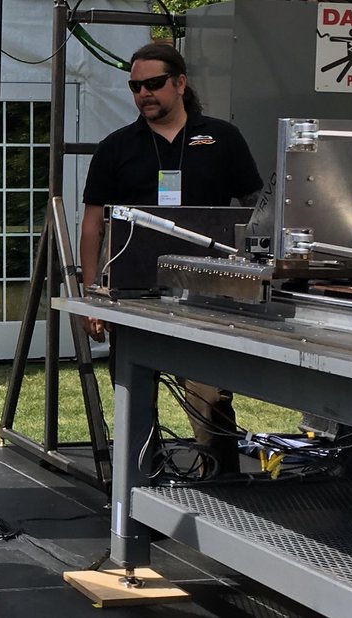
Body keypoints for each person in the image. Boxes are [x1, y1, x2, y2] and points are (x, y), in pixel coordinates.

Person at [80, 43, 262, 477]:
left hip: (207, 294)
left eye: (154, 83)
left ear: (180, 83)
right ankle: (142, 486)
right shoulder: (116, 147)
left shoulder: (222, 138)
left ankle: (219, 483)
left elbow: (258, 212)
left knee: (211, 395)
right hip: (134, 292)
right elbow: (92, 226)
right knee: (135, 395)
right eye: (135, 86)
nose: (144, 93)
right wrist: (92, 295)